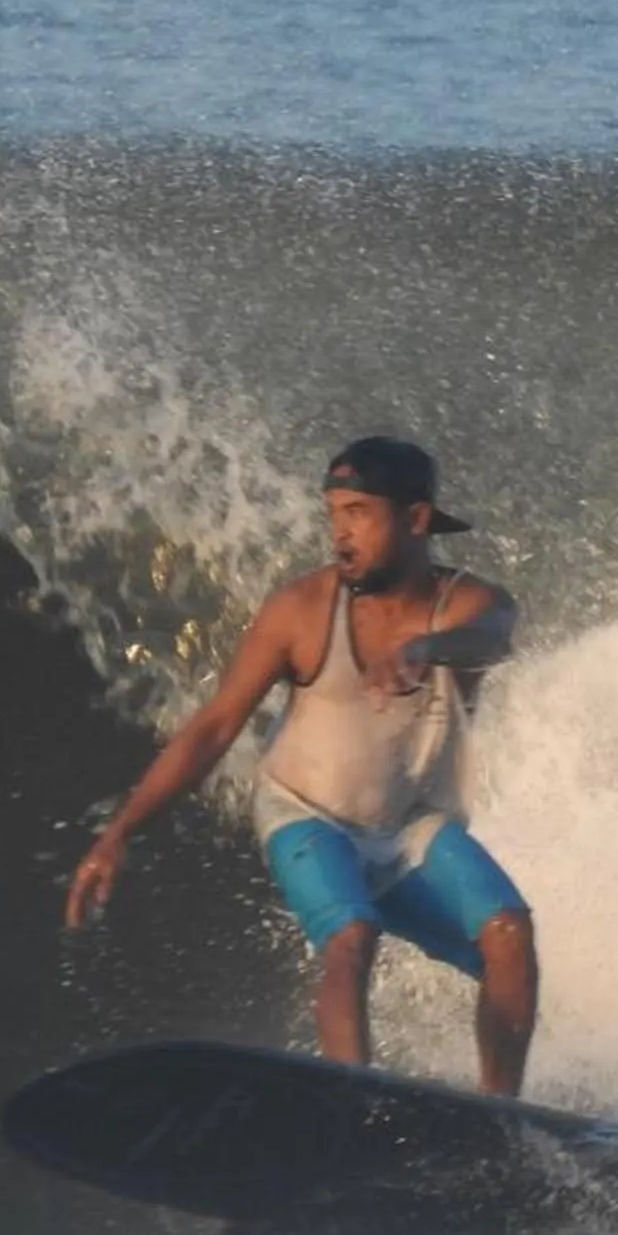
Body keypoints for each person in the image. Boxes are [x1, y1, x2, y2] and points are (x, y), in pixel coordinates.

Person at [64, 437, 539, 1095]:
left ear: (416, 519)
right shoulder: (303, 611)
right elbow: (214, 727)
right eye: (333, 513)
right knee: (352, 933)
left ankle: (499, 1117)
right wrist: (120, 832)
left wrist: (426, 647)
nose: (340, 532)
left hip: (409, 828)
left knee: (510, 935)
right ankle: (351, 1101)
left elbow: (490, 635)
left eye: (358, 513)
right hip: (307, 815)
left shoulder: (468, 606)